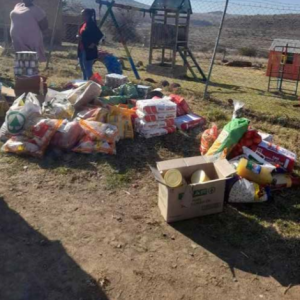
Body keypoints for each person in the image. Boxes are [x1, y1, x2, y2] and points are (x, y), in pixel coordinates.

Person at [78, 9, 103, 80]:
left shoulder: (91, 24)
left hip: (88, 50)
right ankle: (84, 83)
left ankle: (91, 85)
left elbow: (99, 35)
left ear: (88, 16)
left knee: (88, 69)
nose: (82, 16)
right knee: (83, 68)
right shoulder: (83, 25)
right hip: (81, 49)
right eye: (81, 15)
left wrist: (93, 43)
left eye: (83, 15)